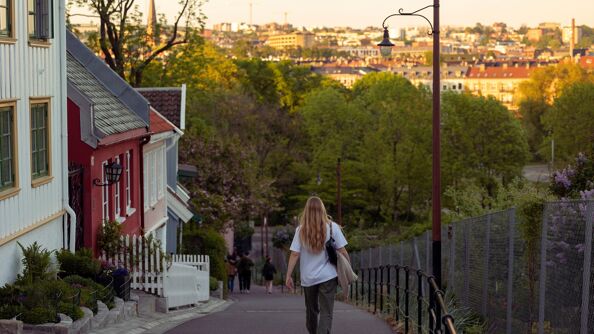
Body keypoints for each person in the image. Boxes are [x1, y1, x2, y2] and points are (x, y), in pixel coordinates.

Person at [286, 196, 349, 334]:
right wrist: (347, 270)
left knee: (311, 311)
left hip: (308, 278)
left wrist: (288, 275)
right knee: (327, 312)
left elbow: (295, 254)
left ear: (306, 211)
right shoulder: (333, 227)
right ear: (322, 209)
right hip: (328, 276)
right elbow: (342, 250)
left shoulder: (300, 230)